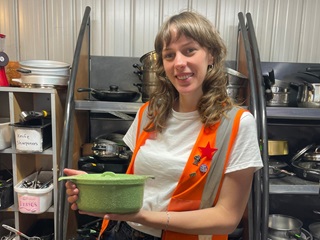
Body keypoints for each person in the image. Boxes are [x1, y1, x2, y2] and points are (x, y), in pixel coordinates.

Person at [64, 10, 263, 240]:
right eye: (169, 55)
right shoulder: (149, 113)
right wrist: (93, 187)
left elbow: (227, 218)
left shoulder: (237, 124)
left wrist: (144, 217)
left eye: (190, 50)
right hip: (122, 232)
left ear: (211, 55)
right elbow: (142, 184)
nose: (179, 63)